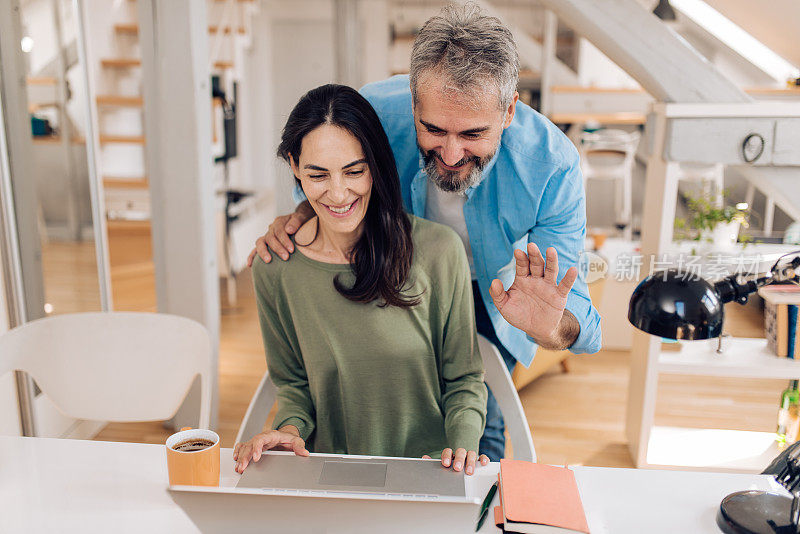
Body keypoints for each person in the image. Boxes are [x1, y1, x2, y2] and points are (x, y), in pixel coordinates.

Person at [247, 4, 602, 461]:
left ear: (510, 110)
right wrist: (301, 212)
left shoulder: (552, 164)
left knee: (480, 431)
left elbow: (581, 321)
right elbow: (333, 175)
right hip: (399, 266)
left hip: (503, 294)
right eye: (433, 129)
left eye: (473, 133)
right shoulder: (373, 113)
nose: (451, 154)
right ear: (413, 100)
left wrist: (551, 328)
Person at [234, 84, 489, 476]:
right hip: (331, 478)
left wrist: (462, 448)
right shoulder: (274, 269)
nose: (338, 193)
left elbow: (464, 380)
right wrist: (286, 431)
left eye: (354, 171)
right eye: (318, 175)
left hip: (430, 474)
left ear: (375, 165)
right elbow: (295, 387)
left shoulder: (439, 251)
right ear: (294, 167)